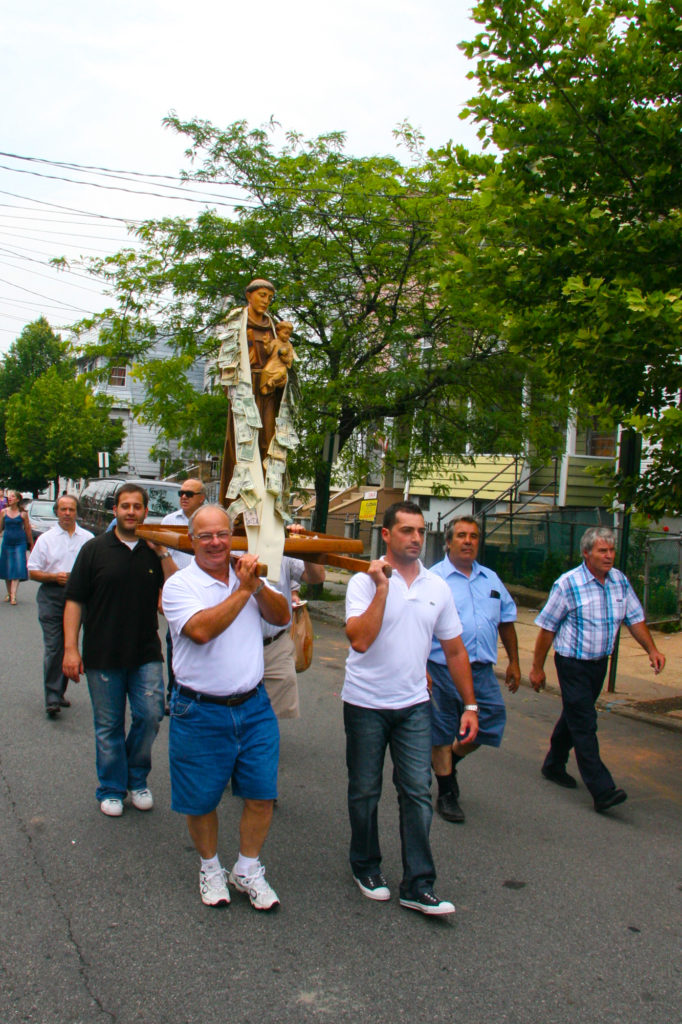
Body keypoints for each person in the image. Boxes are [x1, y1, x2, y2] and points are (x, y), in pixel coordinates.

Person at [342, 501, 478, 917]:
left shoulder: (437, 587)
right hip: (365, 702)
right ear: (386, 535)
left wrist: (470, 705)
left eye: (420, 531)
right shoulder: (363, 583)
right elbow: (360, 640)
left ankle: (418, 884)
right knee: (365, 790)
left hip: (415, 705)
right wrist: (383, 588)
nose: (416, 538)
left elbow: (454, 650)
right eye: (406, 530)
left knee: (417, 792)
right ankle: (366, 865)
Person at [162, 504, 289, 910]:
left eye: (222, 534)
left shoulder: (248, 578)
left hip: (254, 708)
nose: (216, 543)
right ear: (191, 541)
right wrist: (244, 591)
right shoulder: (180, 586)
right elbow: (201, 631)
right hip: (199, 710)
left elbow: (282, 617)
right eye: (206, 536)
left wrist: (257, 586)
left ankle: (247, 868)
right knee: (201, 800)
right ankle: (210, 866)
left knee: (261, 794)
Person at [529, 526, 666, 813]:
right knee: (585, 722)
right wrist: (537, 668)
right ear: (586, 553)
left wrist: (652, 650)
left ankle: (553, 764)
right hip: (572, 664)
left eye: (611, 550)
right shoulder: (568, 584)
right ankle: (602, 790)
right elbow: (547, 628)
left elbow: (635, 618)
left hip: (599, 663)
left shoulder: (619, 581)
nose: (609, 556)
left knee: (575, 715)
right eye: (602, 551)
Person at [63, 483, 178, 817]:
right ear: (115, 510)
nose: (131, 511)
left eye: (137, 506)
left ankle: (136, 779)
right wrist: (70, 649)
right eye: (125, 506)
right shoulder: (94, 550)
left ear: (145, 511)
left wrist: (163, 552)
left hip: (145, 653)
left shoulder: (153, 551)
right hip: (103, 654)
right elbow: (74, 601)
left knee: (151, 715)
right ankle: (112, 788)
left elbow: (176, 591)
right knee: (109, 725)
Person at [428, 516, 520, 823]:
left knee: (489, 723)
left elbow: (506, 621)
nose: (468, 541)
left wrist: (514, 662)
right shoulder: (434, 579)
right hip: (441, 668)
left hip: (481, 671)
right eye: (461, 535)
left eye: (474, 536)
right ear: (448, 542)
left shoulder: (491, 579)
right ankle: (447, 792)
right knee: (441, 732)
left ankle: (449, 761)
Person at [28, 494, 93, 718]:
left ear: (77, 512)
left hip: (78, 598)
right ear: (57, 511)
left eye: (71, 509)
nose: (67, 513)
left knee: (69, 644)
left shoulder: (88, 539)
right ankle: (52, 697)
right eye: (63, 509)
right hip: (52, 595)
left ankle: (59, 691)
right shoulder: (46, 539)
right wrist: (54, 577)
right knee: (54, 646)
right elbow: (32, 570)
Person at [262, 524, 325, 719]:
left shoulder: (282, 540)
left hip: (275, 645)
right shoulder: (228, 539)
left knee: (272, 719)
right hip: (236, 646)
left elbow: (316, 576)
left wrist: (304, 546)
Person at [160, 479, 207, 703]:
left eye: (189, 493)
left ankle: (202, 691)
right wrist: (161, 591)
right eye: (181, 493)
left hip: (205, 592)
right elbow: (160, 558)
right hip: (178, 592)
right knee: (174, 643)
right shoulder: (169, 521)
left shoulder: (208, 520)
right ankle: (174, 693)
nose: (184, 497)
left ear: (202, 498)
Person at [0, 490, 33, 605]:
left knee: (18, 566)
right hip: (7, 542)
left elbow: (28, 530)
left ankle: (13, 595)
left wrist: (31, 544)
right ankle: (9, 593)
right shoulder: (3, 512)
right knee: (7, 567)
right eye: (9, 497)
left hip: (20, 543)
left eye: (12, 496)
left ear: (18, 499)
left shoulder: (23, 514)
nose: (10, 498)